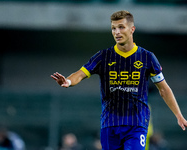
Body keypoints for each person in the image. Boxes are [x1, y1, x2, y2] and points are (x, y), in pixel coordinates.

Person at [51, 10, 187, 150]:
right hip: (110, 125)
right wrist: (68, 81)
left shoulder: (147, 57)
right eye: (114, 28)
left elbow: (163, 89)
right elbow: (80, 73)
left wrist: (179, 115)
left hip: (136, 124)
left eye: (121, 27)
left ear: (132, 29)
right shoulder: (103, 56)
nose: (117, 32)